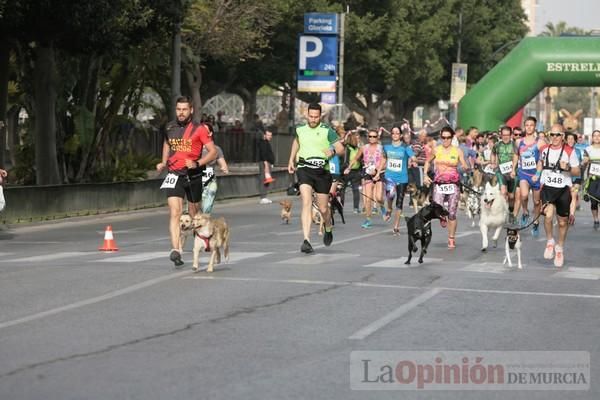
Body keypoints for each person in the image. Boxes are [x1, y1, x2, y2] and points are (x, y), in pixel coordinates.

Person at [156, 96, 218, 267]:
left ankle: (201, 240)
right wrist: (163, 161)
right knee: (175, 212)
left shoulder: (199, 129)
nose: (181, 113)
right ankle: (176, 250)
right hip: (174, 174)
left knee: (193, 214)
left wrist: (197, 163)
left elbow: (212, 152)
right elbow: (167, 144)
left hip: (193, 176)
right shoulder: (170, 127)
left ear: (191, 110)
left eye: (184, 109)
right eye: (178, 109)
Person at [288, 103, 344, 253]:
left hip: (322, 172)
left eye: (316, 117)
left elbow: (340, 149)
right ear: (307, 114)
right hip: (304, 168)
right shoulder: (300, 129)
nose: (313, 119)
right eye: (311, 116)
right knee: (306, 201)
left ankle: (328, 226)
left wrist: (331, 151)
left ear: (320, 116)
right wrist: (291, 159)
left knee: (323, 208)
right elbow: (296, 142)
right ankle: (306, 240)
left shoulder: (328, 131)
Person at [532, 124, 580, 268]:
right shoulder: (545, 149)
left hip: (563, 189)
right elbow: (541, 163)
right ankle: (550, 241)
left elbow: (577, 172)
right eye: (551, 134)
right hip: (548, 188)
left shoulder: (569, 151)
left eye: (557, 135)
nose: (554, 137)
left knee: (562, 222)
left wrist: (569, 168)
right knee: (547, 215)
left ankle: (559, 248)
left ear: (563, 136)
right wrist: (537, 174)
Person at [424, 126, 469, 249]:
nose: (446, 140)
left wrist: (465, 166)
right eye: (443, 137)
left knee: (452, 213)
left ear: (452, 137)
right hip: (439, 184)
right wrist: (424, 176)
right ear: (440, 137)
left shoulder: (457, 151)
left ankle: (451, 239)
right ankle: (441, 216)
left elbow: (464, 164)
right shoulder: (436, 150)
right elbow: (427, 162)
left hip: (453, 185)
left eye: (448, 138)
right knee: (437, 208)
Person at [512, 116, 546, 235]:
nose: (529, 127)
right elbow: (516, 155)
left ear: (535, 126)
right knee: (524, 195)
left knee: (537, 202)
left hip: (535, 175)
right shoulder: (518, 142)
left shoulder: (540, 142)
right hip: (523, 173)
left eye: (531, 125)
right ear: (524, 126)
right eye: (527, 125)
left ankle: (535, 223)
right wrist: (513, 168)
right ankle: (525, 211)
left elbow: (541, 160)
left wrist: (537, 174)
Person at [347, 128, 387, 229]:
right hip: (367, 173)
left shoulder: (381, 148)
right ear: (367, 137)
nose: (372, 138)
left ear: (377, 137)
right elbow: (355, 158)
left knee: (378, 197)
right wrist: (349, 168)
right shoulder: (364, 148)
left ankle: (382, 207)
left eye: (374, 136)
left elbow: (384, 161)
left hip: (379, 173)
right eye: (370, 136)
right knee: (367, 199)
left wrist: (377, 172)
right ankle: (368, 219)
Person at [384, 126, 416, 234]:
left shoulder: (405, 147)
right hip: (389, 176)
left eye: (397, 133)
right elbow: (384, 159)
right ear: (391, 135)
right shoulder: (387, 147)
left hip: (402, 178)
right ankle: (389, 209)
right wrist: (377, 170)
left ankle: (396, 226)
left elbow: (413, 156)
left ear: (401, 135)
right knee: (390, 196)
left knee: (399, 201)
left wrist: (413, 159)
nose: (395, 135)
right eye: (393, 133)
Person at [201, 124, 229, 214]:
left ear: (210, 133)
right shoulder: (194, 148)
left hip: (210, 181)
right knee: (195, 208)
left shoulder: (216, 149)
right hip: (195, 180)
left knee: (206, 208)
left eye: (204, 131)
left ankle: (205, 223)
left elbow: (223, 163)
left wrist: (224, 168)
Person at [492, 126, 518, 222]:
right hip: (501, 171)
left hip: (512, 172)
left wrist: (514, 170)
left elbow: (516, 156)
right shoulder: (497, 145)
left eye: (507, 135)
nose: (505, 137)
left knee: (511, 196)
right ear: (500, 135)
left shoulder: (514, 145)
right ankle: (502, 212)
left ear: (511, 135)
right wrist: (493, 163)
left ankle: (511, 212)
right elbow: (493, 153)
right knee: (503, 192)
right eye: (504, 135)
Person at [582, 130, 600, 230]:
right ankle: (596, 220)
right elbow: (584, 163)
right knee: (594, 201)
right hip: (592, 178)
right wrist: (585, 161)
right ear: (592, 138)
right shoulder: (588, 149)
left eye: (599, 136)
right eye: (595, 136)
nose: (597, 138)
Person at [341, 130, 363, 213]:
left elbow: (360, 159)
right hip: (347, 171)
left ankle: (356, 208)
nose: (358, 140)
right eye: (356, 138)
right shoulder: (348, 148)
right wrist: (346, 168)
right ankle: (341, 206)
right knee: (342, 189)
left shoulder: (358, 148)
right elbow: (346, 160)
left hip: (356, 171)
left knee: (355, 189)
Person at [565, 132, 582, 224]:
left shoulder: (578, 151)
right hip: (566, 177)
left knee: (574, 195)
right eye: (569, 139)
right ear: (566, 140)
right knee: (566, 197)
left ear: (575, 141)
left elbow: (580, 164)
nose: (571, 140)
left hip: (576, 178)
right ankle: (565, 214)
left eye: (572, 139)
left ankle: (571, 215)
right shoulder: (563, 150)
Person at [258, 130, 276, 204]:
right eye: (268, 135)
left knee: (267, 179)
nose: (270, 137)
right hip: (264, 163)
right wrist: (266, 164)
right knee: (264, 179)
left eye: (270, 135)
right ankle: (263, 197)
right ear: (264, 135)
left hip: (268, 163)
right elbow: (263, 154)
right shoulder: (263, 143)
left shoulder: (267, 142)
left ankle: (265, 196)